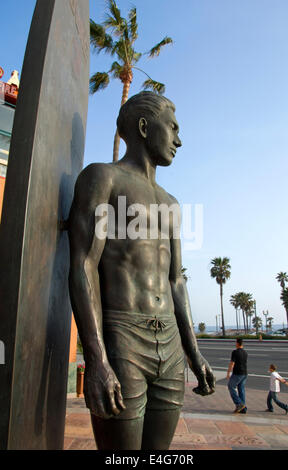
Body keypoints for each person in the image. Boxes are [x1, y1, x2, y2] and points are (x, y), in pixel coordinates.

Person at [68, 91, 216, 450]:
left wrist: (193, 353)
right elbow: (84, 264)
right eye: (173, 128)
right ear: (145, 127)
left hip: (169, 345)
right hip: (123, 339)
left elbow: (176, 282)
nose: (179, 141)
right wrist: (97, 359)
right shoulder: (103, 178)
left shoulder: (171, 203)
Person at [226, 338, 248, 413]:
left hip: (237, 373)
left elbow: (232, 363)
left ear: (237, 343)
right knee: (241, 390)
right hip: (244, 373)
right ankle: (243, 409)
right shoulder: (245, 352)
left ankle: (239, 403)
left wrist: (228, 373)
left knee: (231, 386)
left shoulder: (235, 352)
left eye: (236, 342)